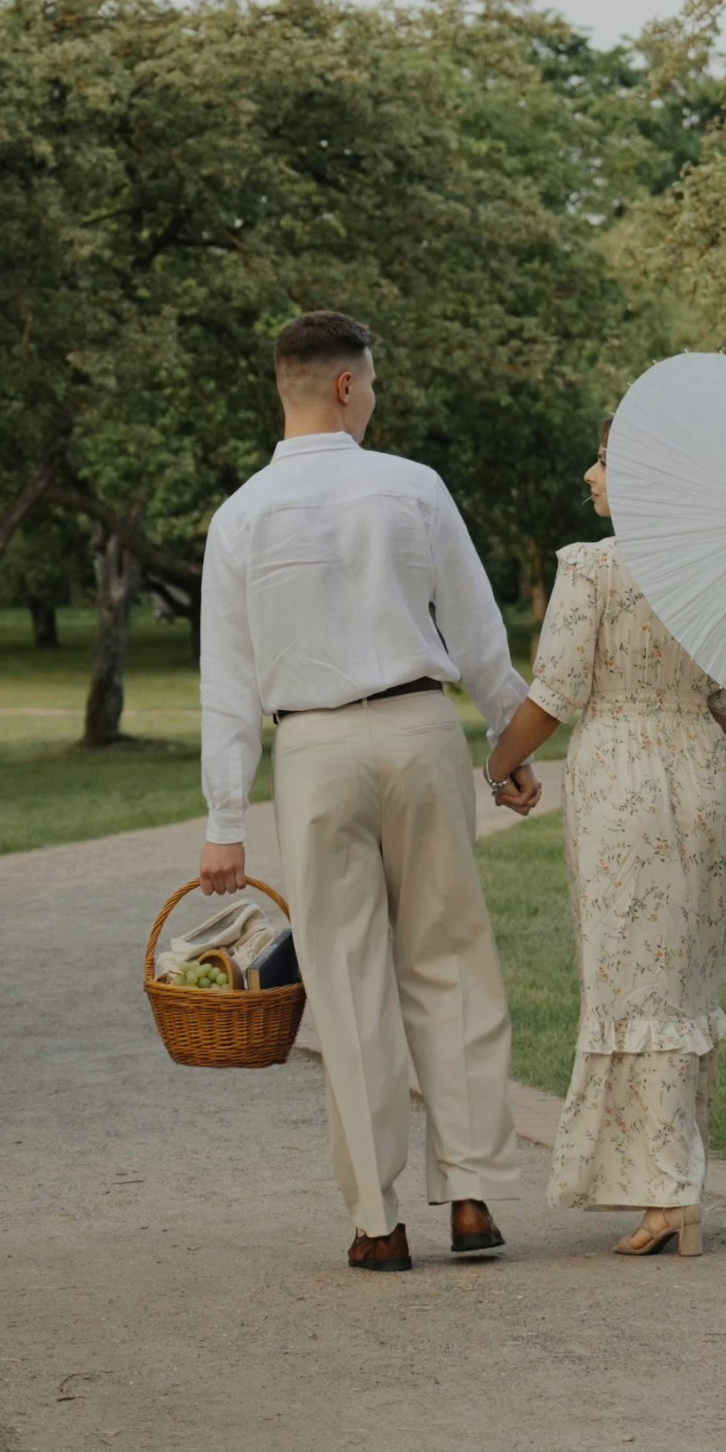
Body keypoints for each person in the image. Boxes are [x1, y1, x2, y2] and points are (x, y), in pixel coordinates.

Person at [198, 311, 541, 1272]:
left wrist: (227, 819)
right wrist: (509, 748)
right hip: (417, 728)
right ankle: (471, 1195)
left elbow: (226, 680)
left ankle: (376, 1218)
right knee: (450, 954)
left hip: (310, 749)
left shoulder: (240, 515)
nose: (377, 399)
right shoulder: (413, 486)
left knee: (345, 985)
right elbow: (479, 634)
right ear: (347, 386)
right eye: (375, 384)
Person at [483, 416, 726, 1258]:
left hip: (623, 775)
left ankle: (664, 1190)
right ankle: (675, 1181)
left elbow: (555, 691)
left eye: (601, 459)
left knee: (632, 974)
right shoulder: (715, 574)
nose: (590, 474)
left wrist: (500, 762)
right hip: (700, 772)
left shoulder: (591, 566)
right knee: (681, 978)